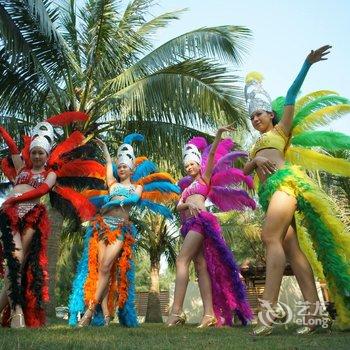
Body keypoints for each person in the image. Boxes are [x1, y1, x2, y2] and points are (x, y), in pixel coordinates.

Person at [244, 45, 350, 335]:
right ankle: (315, 317)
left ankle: (268, 310)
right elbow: (244, 173)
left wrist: (306, 64)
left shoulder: (281, 131)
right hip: (269, 196)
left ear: (271, 115)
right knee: (293, 250)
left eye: (260, 114)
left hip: (286, 184)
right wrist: (255, 160)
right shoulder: (254, 145)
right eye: (252, 117)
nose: (256, 120)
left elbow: (291, 95)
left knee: (269, 237)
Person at [69, 134, 180, 327]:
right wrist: (105, 149)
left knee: (105, 268)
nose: (121, 169)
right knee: (102, 269)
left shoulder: (136, 187)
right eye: (119, 166)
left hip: (120, 230)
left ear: (132, 168)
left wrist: (115, 201)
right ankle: (104, 315)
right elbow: (108, 169)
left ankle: (89, 312)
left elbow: (132, 200)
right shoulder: (113, 184)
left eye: (124, 166)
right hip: (102, 226)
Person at [167, 126, 256, 328]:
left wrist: (217, 135)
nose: (189, 167)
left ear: (199, 164)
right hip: (188, 225)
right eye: (186, 165)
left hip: (201, 222)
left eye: (192, 164)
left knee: (182, 260)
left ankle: (176, 311)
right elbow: (178, 205)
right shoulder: (186, 188)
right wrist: (187, 204)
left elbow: (214, 152)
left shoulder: (204, 179)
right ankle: (209, 314)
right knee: (200, 267)